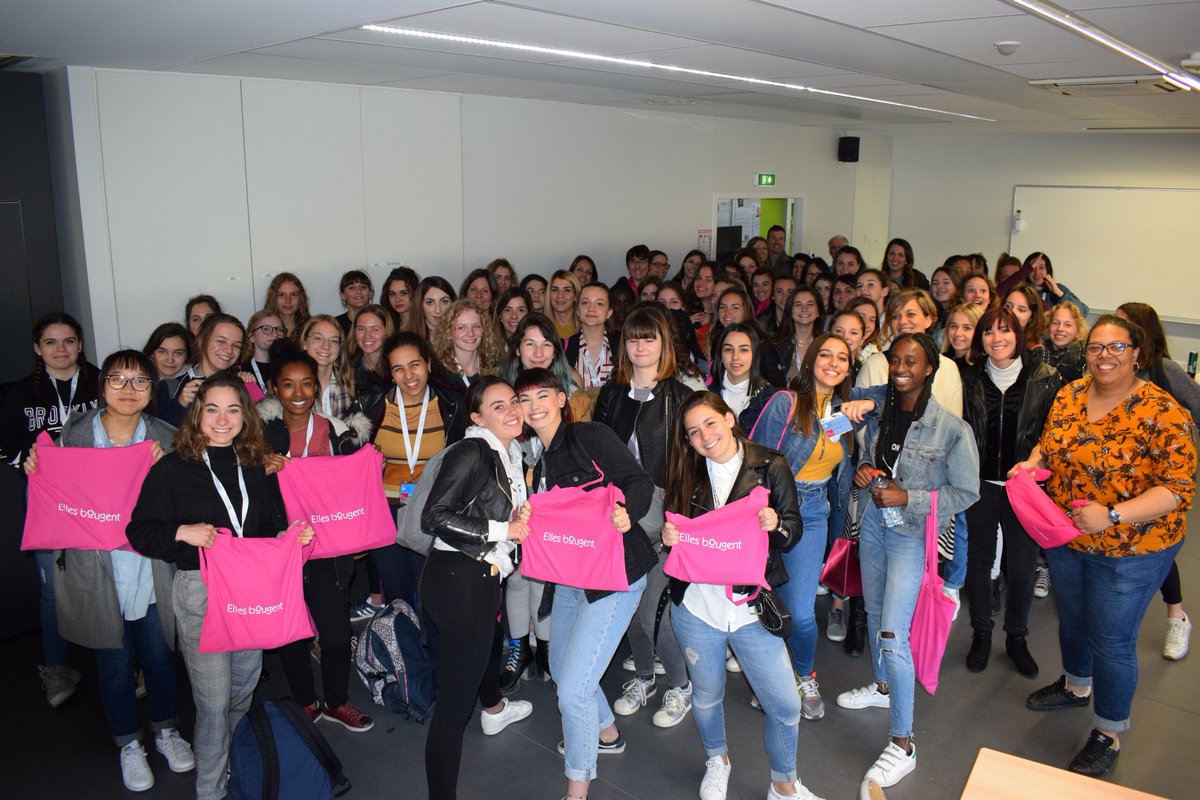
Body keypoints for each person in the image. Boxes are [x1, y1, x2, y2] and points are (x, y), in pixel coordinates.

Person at [1014, 315, 1195, 776]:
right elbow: (1047, 447)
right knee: (1073, 619)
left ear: (1137, 353)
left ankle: (1108, 732)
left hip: (1134, 548)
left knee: (1112, 640)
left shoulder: (1163, 410)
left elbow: (1178, 489)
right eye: (1096, 347)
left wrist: (1111, 515)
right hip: (1068, 534)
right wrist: (1032, 465)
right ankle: (1076, 686)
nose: (1105, 356)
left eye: (1117, 347)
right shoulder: (1069, 395)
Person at [126, 373, 314, 800]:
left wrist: (288, 538)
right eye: (212, 409)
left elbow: (261, 529)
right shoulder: (173, 468)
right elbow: (139, 532)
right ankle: (209, 789)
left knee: (243, 690)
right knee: (213, 702)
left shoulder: (253, 464)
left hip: (251, 589)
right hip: (202, 590)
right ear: (197, 414)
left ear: (245, 416)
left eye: (232, 410)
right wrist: (181, 532)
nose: (222, 420)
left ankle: (232, 762)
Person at [24, 349, 194, 792]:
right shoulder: (73, 435)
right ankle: (128, 742)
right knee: (114, 664)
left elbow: (188, 505)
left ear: (152, 390)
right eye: (118, 380)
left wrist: (165, 472)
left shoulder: (168, 438)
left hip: (150, 569)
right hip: (98, 569)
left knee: (159, 657)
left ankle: (166, 730)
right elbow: (54, 489)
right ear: (102, 387)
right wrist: (37, 466)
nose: (128, 390)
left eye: (139, 381)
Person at [837, 333, 979, 791]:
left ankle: (903, 743)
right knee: (875, 611)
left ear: (930, 367)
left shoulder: (952, 430)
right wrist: (864, 471)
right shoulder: (882, 411)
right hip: (874, 525)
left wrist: (909, 497)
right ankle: (882, 688)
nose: (900, 369)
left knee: (894, 633)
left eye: (911, 362)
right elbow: (866, 446)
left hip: (912, 536)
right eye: (895, 360)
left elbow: (966, 493)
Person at [661, 392, 818, 800]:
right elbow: (673, 522)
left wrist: (775, 525)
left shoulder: (771, 465)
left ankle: (784, 785)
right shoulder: (686, 469)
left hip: (752, 607)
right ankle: (718, 760)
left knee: (785, 705)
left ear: (729, 418)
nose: (704, 436)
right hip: (697, 607)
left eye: (710, 423)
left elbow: (793, 530)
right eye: (693, 432)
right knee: (706, 694)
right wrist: (669, 535)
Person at [514, 367, 658, 799]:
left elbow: (637, 481)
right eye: (525, 399)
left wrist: (627, 511)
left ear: (561, 399)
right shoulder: (537, 462)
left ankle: (577, 789)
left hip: (615, 576)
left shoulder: (589, 435)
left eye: (542, 396)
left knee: (573, 690)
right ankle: (607, 734)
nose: (534, 406)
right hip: (572, 578)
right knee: (561, 669)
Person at [750, 334, 879, 720]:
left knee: (802, 612)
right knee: (767, 601)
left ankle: (805, 676)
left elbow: (897, 394)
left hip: (815, 510)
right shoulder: (786, 402)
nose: (833, 363)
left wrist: (869, 403)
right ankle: (773, 681)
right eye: (825, 354)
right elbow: (755, 460)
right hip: (772, 509)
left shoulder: (845, 409)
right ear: (810, 360)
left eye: (842, 358)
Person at [420, 377, 535, 799]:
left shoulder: (510, 452)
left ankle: (494, 709)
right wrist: (505, 529)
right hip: (461, 578)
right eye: (498, 406)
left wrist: (514, 521)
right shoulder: (472, 451)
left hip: (476, 576)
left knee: (490, 640)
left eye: (514, 402)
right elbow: (433, 517)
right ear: (477, 417)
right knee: (453, 708)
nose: (512, 411)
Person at [257, 346, 374, 732]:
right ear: (275, 388)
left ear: (316, 386)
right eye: (288, 384)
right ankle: (306, 701)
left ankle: (337, 700)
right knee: (291, 633)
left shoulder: (338, 432)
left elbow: (352, 490)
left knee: (337, 635)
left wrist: (368, 464)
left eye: (306, 383)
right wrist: (260, 470)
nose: (298, 392)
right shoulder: (258, 435)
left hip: (327, 547)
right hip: (279, 548)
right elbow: (239, 487)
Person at [592, 304, 694, 728]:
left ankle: (682, 686)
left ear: (664, 343)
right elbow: (596, 455)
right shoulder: (611, 395)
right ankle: (647, 678)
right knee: (630, 606)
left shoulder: (681, 397)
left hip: (664, 516)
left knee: (654, 608)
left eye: (649, 338)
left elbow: (691, 466)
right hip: (617, 512)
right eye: (633, 338)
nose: (640, 346)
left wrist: (680, 518)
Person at [1, 314, 102, 707]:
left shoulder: (101, 382)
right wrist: (24, 464)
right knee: (52, 587)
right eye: (51, 342)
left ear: (80, 344)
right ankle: (57, 667)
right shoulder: (22, 393)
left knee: (109, 577)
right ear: (37, 348)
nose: (61, 349)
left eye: (69, 341)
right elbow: (6, 441)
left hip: (99, 498)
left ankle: (120, 661)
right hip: (47, 500)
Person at [960, 307, 1061, 676]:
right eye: (988, 332)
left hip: (1025, 490)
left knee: (1021, 569)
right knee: (979, 565)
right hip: (980, 486)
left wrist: (1035, 460)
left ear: (1018, 335)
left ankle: (1017, 637)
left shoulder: (1045, 378)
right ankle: (981, 633)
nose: (996, 338)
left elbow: (1053, 433)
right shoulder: (969, 378)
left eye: (1004, 330)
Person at [1116, 301, 1200, 662]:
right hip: (1119, 483)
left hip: (1158, 484)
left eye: (1123, 324)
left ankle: (1176, 616)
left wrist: (1177, 444)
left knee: (1156, 547)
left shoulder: (1165, 370)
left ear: (1141, 332)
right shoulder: (1113, 368)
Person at [361, 332, 466, 613]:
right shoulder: (373, 406)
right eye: (398, 368)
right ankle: (402, 641)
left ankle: (429, 643)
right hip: (385, 511)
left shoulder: (452, 405)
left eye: (414, 364)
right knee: (397, 594)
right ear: (391, 373)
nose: (408, 375)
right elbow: (349, 455)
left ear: (428, 363)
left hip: (431, 509)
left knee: (429, 590)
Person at [856, 290, 964, 420]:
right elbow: (859, 420)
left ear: (928, 319)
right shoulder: (874, 365)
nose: (902, 321)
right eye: (895, 316)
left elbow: (954, 424)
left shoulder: (948, 367)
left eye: (911, 314)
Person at [498, 314, 590, 422]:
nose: (538, 353)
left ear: (555, 351)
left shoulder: (571, 387)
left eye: (546, 344)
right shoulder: (501, 389)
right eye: (530, 344)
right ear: (517, 350)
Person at [710, 323, 778, 432]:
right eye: (728, 349)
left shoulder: (771, 399)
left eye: (744, 350)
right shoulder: (706, 393)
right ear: (720, 356)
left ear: (755, 355)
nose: (735, 357)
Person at [762, 286, 824, 388]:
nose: (804, 309)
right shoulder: (772, 346)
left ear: (818, 312)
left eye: (810, 304)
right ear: (790, 311)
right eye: (798, 305)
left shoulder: (827, 345)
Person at [435, 300, 503, 388]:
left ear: (484, 330)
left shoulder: (496, 368)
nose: (470, 333)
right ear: (448, 333)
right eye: (461, 328)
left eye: (476, 326)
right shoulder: (439, 374)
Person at [565, 282, 619, 394]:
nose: (591, 308)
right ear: (577, 310)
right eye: (585, 302)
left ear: (609, 312)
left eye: (599, 304)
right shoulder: (563, 346)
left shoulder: (622, 345)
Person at [300, 314, 356, 419]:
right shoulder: (290, 383)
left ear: (340, 348)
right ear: (305, 343)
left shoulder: (352, 384)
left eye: (333, 340)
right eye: (318, 338)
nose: (326, 346)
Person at [142, 322, 193, 416]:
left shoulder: (194, 383)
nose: (170, 360)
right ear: (152, 353)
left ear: (187, 355)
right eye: (162, 352)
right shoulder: (138, 382)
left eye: (178, 353)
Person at [346, 303, 395, 397]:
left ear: (387, 331)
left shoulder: (397, 367)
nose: (367, 336)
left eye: (375, 329)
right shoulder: (347, 370)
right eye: (361, 329)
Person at [1036, 302, 1088, 383]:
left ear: (1078, 331)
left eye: (1068, 325)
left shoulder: (1086, 359)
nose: (1060, 329)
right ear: (1048, 326)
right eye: (1055, 323)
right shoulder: (1036, 354)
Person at [1026, 251, 1089, 316]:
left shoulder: (1059, 288)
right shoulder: (1023, 291)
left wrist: (1058, 293)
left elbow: (1083, 312)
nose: (1037, 272)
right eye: (1033, 268)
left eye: (1041, 267)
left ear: (1048, 270)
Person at [240, 309, 284, 396]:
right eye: (266, 329)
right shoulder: (241, 372)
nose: (275, 334)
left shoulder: (289, 367)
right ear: (252, 337)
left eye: (279, 329)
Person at [263, 272, 310, 340]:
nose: (288, 301)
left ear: (301, 298)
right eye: (281, 295)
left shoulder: (312, 327)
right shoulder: (261, 328)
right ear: (273, 298)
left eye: (293, 294)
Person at [1002, 284, 1048, 353]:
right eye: (1008, 306)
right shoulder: (991, 339)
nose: (1012, 312)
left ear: (1032, 317)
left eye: (1021, 310)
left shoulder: (1036, 352)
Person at [381, 266, 421, 334]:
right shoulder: (385, 326)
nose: (397, 299)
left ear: (415, 293)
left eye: (403, 293)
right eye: (392, 294)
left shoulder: (426, 326)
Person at [334, 269, 374, 334]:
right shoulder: (335, 325)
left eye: (363, 287)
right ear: (342, 295)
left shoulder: (381, 321)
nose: (358, 291)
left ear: (370, 294)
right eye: (351, 288)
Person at [549, 269, 582, 339]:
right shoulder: (541, 327)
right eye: (555, 290)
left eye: (567, 290)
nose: (560, 295)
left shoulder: (585, 328)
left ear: (575, 296)